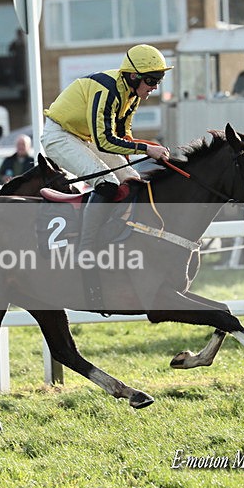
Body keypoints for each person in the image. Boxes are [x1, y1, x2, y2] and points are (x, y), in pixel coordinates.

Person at [40, 44, 172, 303]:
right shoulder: (108, 89)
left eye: (159, 79)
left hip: (83, 137)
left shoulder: (131, 94)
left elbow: (124, 137)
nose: (155, 86)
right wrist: (146, 148)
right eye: (151, 80)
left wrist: (149, 147)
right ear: (133, 76)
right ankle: (85, 250)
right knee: (107, 183)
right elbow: (105, 142)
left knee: (133, 180)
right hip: (60, 136)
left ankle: (122, 238)